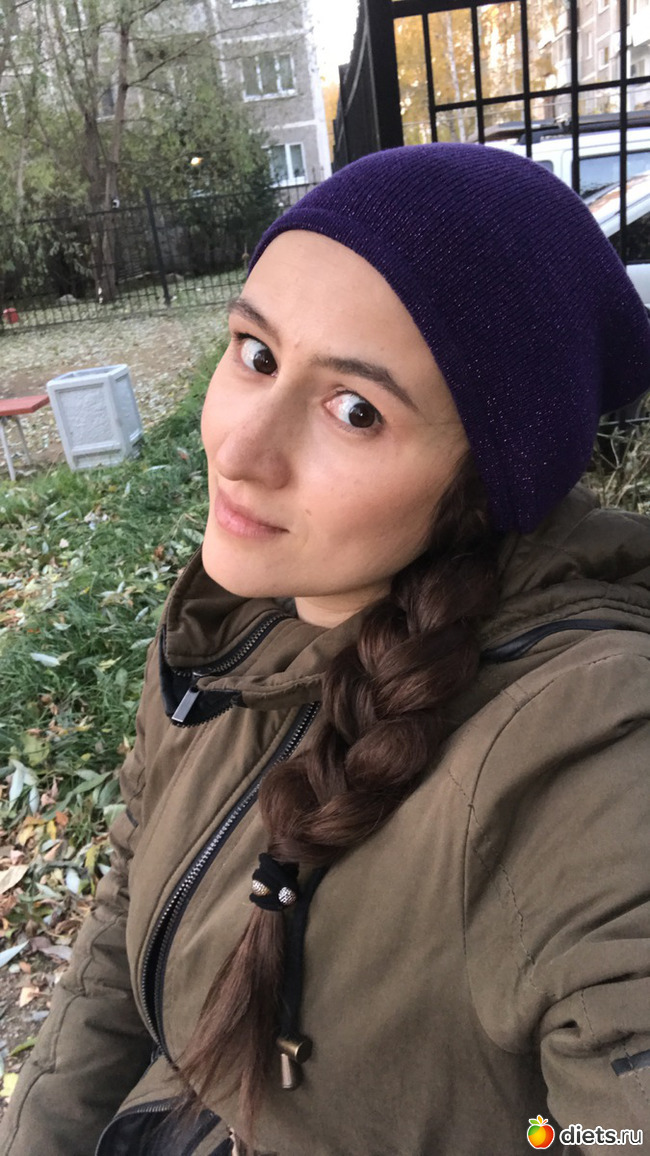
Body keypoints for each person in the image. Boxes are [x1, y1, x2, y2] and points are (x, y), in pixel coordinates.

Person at [2, 143, 650, 1156]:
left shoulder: (580, 749)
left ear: (484, 480)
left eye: (355, 410)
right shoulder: (229, 625)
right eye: (255, 353)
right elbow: (119, 936)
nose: (238, 448)